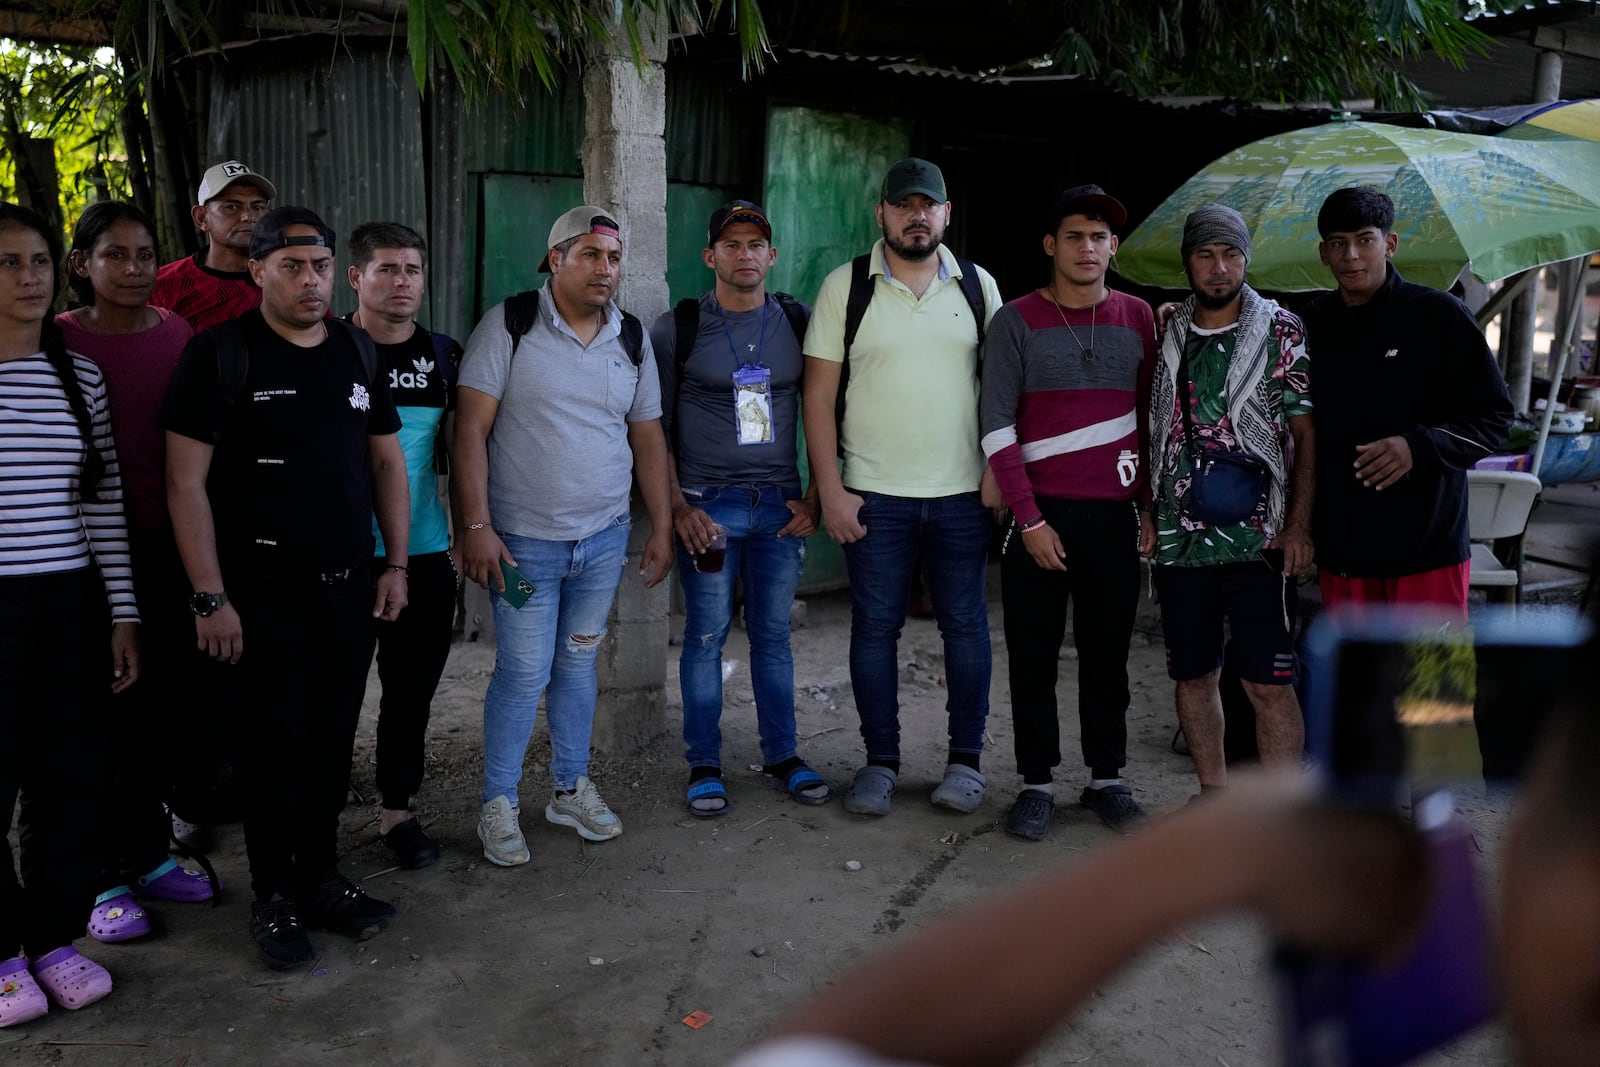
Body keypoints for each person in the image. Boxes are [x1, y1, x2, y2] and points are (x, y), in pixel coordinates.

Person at [730, 581, 1600, 1067]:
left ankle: (1423, 801)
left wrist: (1193, 863)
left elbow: (819, 1051)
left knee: (1384, 706)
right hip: (1319, 568)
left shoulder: (1414, 331)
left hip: (1411, 566)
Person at [162, 206, 411, 969]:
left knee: (332, 745)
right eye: (293, 266)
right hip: (258, 599)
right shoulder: (221, 354)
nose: (311, 281)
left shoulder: (356, 351)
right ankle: (273, 898)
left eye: (321, 266)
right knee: (272, 751)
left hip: (347, 593)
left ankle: (320, 880)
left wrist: (395, 564)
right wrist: (209, 595)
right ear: (255, 270)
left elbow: (388, 466)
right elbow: (184, 482)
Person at [454, 205, 673, 866]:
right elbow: (468, 430)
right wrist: (476, 527)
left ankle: (569, 786)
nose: (606, 269)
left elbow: (648, 438)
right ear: (556, 259)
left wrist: (660, 524)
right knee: (523, 670)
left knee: (578, 660)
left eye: (613, 257)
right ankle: (498, 801)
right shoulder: (510, 325)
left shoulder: (630, 337)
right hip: (523, 550)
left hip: (600, 545)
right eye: (590, 255)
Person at [801, 158, 1003, 818]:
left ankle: (966, 763)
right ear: (881, 213)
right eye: (904, 204)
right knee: (874, 629)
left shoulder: (978, 286)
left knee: (967, 629)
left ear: (948, 214)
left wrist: (998, 472)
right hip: (873, 495)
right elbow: (818, 395)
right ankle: (880, 762)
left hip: (961, 494)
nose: (917, 215)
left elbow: (1003, 391)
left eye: (930, 205)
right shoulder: (846, 287)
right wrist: (830, 490)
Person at [980, 185, 1158, 839]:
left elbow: (1148, 420)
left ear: (1114, 247)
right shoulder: (1016, 320)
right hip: (1039, 517)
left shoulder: (1140, 317)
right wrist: (1028, 519)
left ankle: (1107, 777)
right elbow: (996, 424)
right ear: (1051, 245)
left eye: (1100, 237)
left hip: (1114, 515)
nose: (1089, 247)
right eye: (1076, 235)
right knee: (1032, 653)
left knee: (1108, 654)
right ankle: (1036, 782)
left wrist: (1146, 507)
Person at [59, 202, 214, 947]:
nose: (133, 269)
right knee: (95, 715)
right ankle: (100, 876)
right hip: (75, 554)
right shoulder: (55, 342)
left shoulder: (178, 335)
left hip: (165, 543)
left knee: (162, 705)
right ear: (81, 263)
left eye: (146, 254)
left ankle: (150, 853)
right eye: (114, 255)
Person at [0, 202, 136, 1025]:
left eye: (40, 261)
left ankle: (53, 940)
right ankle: (1, 952)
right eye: (9, 263)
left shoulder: (75, 375)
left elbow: (103, 501)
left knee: (70, 779)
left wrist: (123, 612)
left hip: (70, 601)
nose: (28, 277)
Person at [649, 200, 824, 817]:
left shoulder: (800, 322)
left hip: (780, 507)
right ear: (710, 257)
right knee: (704, 638)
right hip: (709, 510)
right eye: (731, 245)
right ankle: (704, 764)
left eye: (755, 244)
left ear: (771, 256)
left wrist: (819, 495)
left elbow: (828, 413)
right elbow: (654, 426)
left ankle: (783, 756)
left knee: (773, 637)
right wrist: (675, 507)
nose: (744, 254)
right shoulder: (681, 327)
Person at [1149, 204, 1314, 792]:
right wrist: (1148, 513)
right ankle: (1213, 797)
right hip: (1179, 537)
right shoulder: (1166, 328)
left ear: (1246, 258)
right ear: (1188, 262)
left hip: (1258, 539)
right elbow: (1155, 430)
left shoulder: (1281, 329)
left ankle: (1282, 814)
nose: (1220, 268)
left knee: (1268, 684)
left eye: (1232, 254)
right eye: (1206, 254)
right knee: (1193, 676)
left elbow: (1303, 433)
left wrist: (1298, 526)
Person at [1303, 187, 1513, 619]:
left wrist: (1416, 447)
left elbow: (1495, 419)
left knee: (1431, 685)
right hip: (1344, 547)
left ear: (1390, 243)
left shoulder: (1440, 316)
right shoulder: (1311, 323)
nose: (1352, 256)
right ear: (1323, 253)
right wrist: (1182, 315)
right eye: (1338, 244)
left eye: (1365, 239)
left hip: (1427, 546)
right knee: (1356, 684)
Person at [344, 221, 462, 870]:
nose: (401, 281)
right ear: (355, 277)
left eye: (412, 269)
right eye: (386, 269)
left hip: (422, 554)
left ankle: (397, 808)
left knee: (409, 691)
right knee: (326, 695)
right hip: (337, 557)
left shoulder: (445, 356)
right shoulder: (323, 347)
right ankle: (315, 810)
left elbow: (465, 456)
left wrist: (475, 532)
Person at [152, 160, 275, 331]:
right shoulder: (163, 287)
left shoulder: (283, 279)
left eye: (258, 206)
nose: (249, 216)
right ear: (202, 218)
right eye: (231, 207)